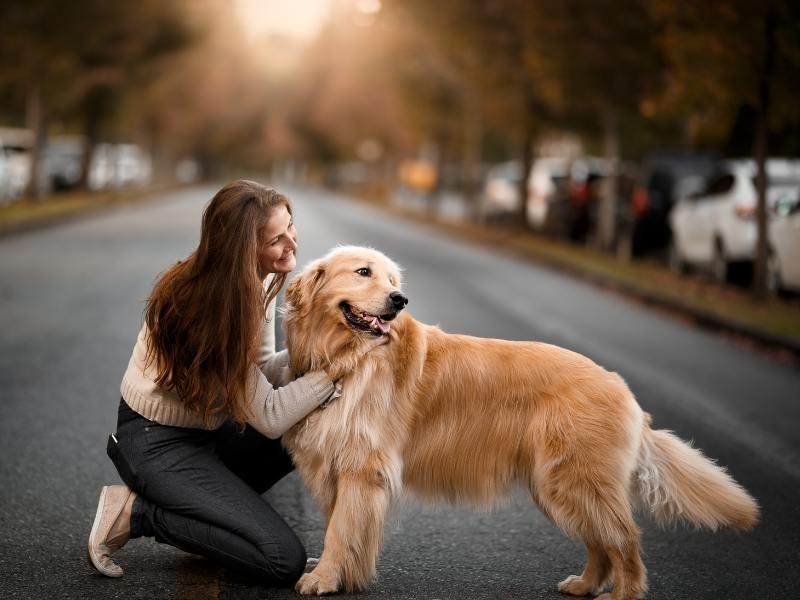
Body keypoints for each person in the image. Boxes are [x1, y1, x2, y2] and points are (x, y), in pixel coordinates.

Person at [87, 180, 380, 586]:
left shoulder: (255, 279)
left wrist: (331, 344)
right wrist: (333, 370)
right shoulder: (208, 307)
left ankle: (208, 515)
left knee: (307, 418)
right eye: (276, 239)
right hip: (156, 441)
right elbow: (271, 417)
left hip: (210, 432)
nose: (291, 243)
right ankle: (137, 513)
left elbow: (261, 369)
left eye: (290, 227)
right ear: (245, 250)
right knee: (281, 560)